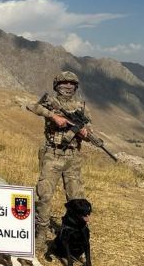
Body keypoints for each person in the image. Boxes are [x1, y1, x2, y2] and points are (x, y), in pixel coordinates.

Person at [26, 71, 92, 242]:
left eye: (72, 83)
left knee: (76, 198)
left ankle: (75, 235)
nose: (68, 86)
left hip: (73, 157)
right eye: (64, 83)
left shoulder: (81, 107)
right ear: (57, 85)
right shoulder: (51, 103)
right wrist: (53, 116)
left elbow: (89, 129)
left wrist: (85, 132)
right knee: (45, 194)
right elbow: (32, 107)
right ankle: (41, 234)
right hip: (52, 154)